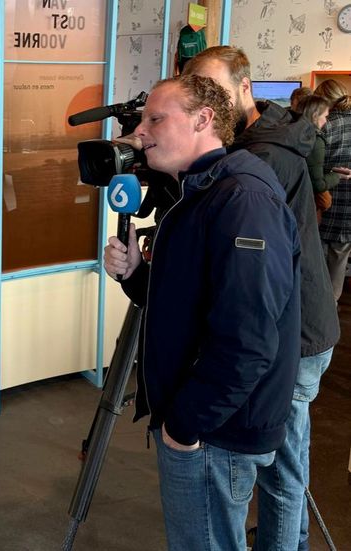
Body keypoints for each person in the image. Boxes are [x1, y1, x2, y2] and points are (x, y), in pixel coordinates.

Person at [105, 74, 301, 550]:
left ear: (203, 119)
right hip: (203, 422)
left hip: (215, 431)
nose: (140, 132)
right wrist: (135, 274)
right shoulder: (200, 192)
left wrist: (183, 426)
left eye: (156, 119)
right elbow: (189, 305)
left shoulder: (243, 200)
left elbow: (248, 341)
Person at [183, 46, 340, 551]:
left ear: (244, 87)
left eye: (213, 88)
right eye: (195, 90)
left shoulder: (261, 157)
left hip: (296, 333)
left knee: (282, 468)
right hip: (294, 325)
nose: (204, 101)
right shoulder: (260, 141)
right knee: (284, 464)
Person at [315, 79, 351, 302]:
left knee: (316, 256)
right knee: (339, 256)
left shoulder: (325, 125)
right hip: (348, 207)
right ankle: (332, 305)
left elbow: (313, 165)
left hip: (324, 199)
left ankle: (314, 308)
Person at [295, 94, 347, 222]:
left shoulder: (291, 132)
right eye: (325, 116)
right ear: (315, 116)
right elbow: (318, 185)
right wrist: (337, 175)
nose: (326, 121)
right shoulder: (314, 139)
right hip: (305, 207)